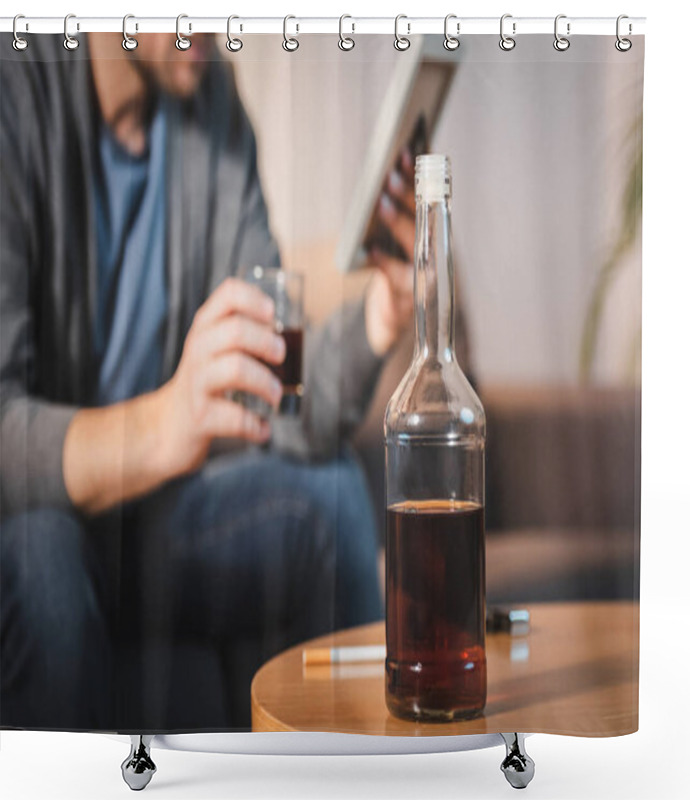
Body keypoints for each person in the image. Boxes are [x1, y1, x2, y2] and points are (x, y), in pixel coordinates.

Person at [0, 33, 417, 730]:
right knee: (47, 557)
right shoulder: (17, 90)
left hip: (153, 521)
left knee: (332, 491)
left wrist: (380, 316)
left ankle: (365, 772)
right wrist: (165, 424)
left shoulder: (212, 104)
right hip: (38, 522)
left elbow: (280, 399)